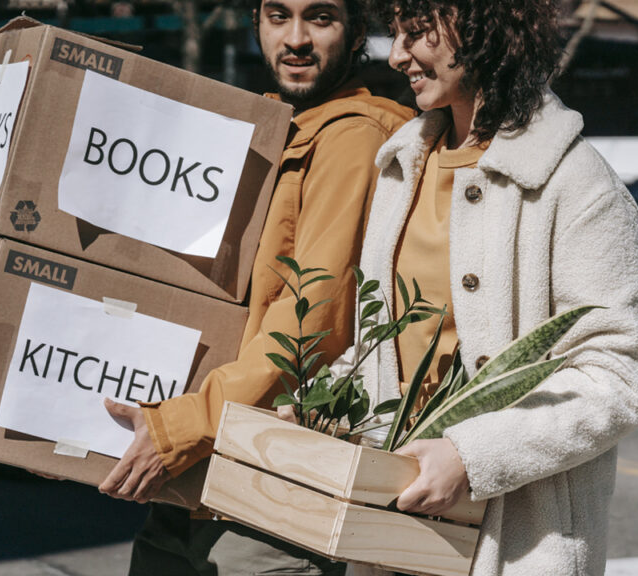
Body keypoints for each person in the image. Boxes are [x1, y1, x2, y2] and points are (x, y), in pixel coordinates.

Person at [323, 0, 638, 574]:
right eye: (395, 33)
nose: (398, 54)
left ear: (479, 26)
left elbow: (615, 375)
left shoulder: (577, 184)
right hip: (391, 528)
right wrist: (316, 411)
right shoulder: (403, 166)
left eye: (418, 32)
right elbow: (382, 348)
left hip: (520, 541)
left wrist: (471, 456)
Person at [98, 0, 414, 574]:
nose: (295, 39)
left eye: (320, 18)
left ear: (356, 30)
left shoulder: (353, 138)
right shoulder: (271, 128)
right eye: (277, 16)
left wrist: (184, 425)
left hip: (264, 483)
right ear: (256, 25)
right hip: (197, 473)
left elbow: (312, 319)